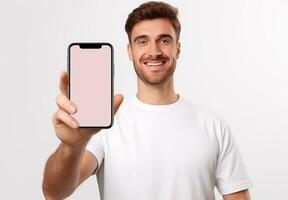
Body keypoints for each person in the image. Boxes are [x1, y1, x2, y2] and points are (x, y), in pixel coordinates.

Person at [42, 1, 253, 200]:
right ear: (130, 51)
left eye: (164, 40)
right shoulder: (104, 125)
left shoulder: (214, 125)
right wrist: (72, 146)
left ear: (177, 49)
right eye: (142, 41)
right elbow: (54, 193)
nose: (154, 51)